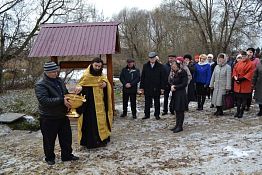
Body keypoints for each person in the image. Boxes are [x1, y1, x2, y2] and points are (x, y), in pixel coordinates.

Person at [35, 61, 79, 165]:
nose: (56, 73)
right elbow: (44, 101)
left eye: (56, 71)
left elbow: (64, 94)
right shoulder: (40, 84)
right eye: (53, 72)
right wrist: (61, 100)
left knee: (66, 138)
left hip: (62, 115)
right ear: (46, 72)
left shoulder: (59, 80)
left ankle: (67, 155)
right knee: (49, 140)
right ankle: (49, 158)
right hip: (48, 117)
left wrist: (71, 97)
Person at [75, 58, 113, 149]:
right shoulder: (86, 76)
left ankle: (102, 139)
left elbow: (107, 84)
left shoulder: (102, 76)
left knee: (102, 122)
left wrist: (105, 84)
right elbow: (80, 85)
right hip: (89, 105)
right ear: (92, 64)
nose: (97, 68)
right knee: (90, 123)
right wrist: (79, 87)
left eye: (99, 66)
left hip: (101, 104)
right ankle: (91, 142)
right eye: (96, 65)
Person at [139, 51, 165, 120]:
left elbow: (163, 78)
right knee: (147, 102)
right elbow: (143, 77)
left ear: (156, 58)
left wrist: (162, 88)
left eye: (153, 58)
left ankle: (157, 115)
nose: (152, 59)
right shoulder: (145, 66)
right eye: (150, 58)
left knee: (157, 102)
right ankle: (146, 114)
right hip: (147, 87)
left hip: (157, 87)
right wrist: (141, 87)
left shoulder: (160, 66)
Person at [233, 51, 255, 118]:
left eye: (244, 56)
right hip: (238, 84)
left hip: (245, 84)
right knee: (238, 99)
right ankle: (238, 111)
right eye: (242, 56)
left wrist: (242, 79)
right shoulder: (238, 63)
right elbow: (234, 70)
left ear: (247, 56)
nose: (243, 57)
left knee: (244, 99)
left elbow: (250, 73)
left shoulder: (251, 64)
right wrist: (235, 78)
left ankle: (241, 112)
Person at [168, 61, 188, 133]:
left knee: (180, 110)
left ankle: (180, 126)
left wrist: (175, 86)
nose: (172, 66)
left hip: (181, 93)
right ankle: (177, 125)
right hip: (175, 93)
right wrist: (171, 85)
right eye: (172, 65)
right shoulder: (174, 72)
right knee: (176, 109)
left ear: (178, 65)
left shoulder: (182, 72)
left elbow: (184, 84)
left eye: (174, 65)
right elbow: (172, 81)